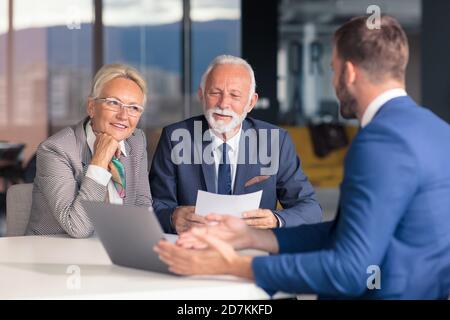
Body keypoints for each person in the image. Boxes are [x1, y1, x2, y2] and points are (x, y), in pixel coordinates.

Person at [154, 16, 450, 299]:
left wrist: (232, 265)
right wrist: (253, 238)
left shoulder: (380, 140)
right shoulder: (438, 130)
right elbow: (347, 232)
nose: (333, 80)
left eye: (332, 70)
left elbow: (349, 270)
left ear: (348, 73)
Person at [149, 55, 322, 234]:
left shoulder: (275, 141)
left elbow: (310, 210)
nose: (224, 104)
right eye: (215, 93)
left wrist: (276, 220)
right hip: (194, 247)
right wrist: (172, 217)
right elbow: (155, 205)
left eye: (235, 95)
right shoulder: (175, 138)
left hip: (253, 251)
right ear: (201, 95)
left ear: (251, 103)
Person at [26, 63, 152, 238]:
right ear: (92, 107)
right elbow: (78, 227)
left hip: (113, 251)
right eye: (114, 103)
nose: (123, 116)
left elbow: (142, 204)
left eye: (133, 108)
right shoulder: (56, 150)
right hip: (55, 255)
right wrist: (99, 161)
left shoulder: (136, 141)